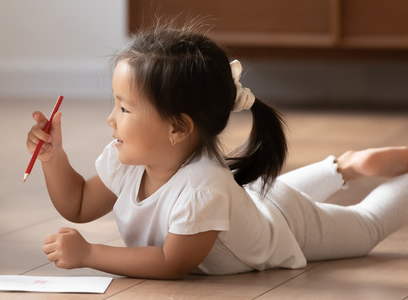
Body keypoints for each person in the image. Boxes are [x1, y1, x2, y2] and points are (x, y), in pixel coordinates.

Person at [25, 23, 408, 279]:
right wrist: (54, 157)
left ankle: (349, 168)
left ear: (178, 127)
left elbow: (171, 261)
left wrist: (90, 254)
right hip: (254, 199)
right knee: (270, 198)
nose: (111, 120)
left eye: (124, 109)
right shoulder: (130, 160)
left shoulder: (202, 188)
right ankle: (345, 166)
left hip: (285, 224)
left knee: (368, 225)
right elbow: (76, 204)